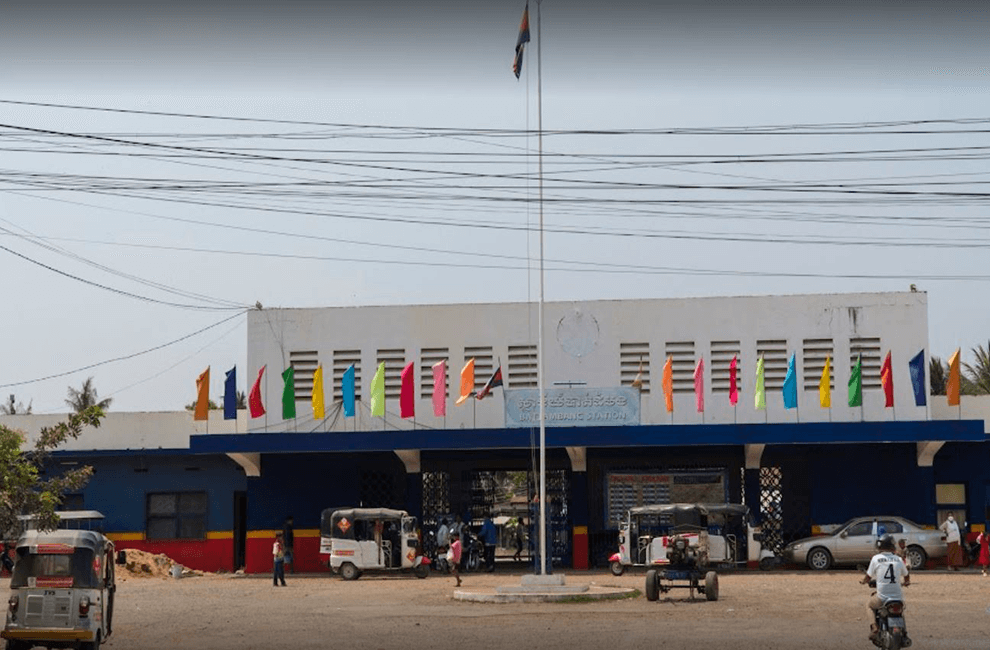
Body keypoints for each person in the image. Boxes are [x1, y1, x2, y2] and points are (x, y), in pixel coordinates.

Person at [861, 534, 910, 646]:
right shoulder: (898, 559)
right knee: (900, 612)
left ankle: (874, 627)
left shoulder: (876, 559)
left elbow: (868, 577)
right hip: (897, 598)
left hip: (882, 598)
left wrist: (864, 581)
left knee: (869, 605)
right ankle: (905, 633)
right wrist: (906, 582)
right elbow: (906, 575)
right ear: (892, 545)